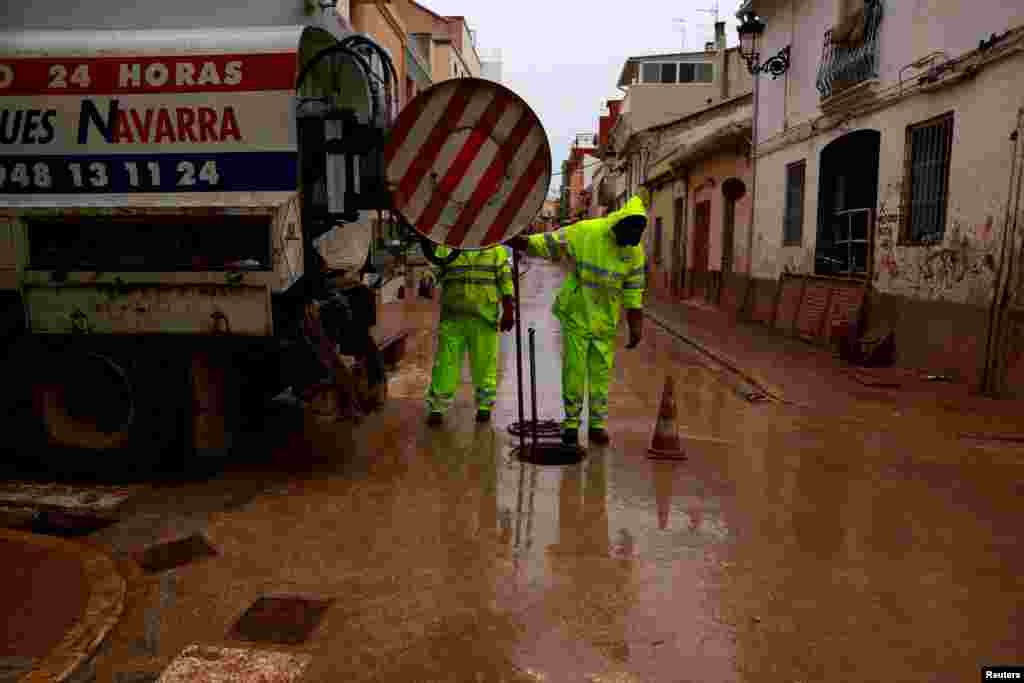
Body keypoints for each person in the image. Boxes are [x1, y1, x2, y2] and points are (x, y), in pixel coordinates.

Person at [506, 194, 648, 446]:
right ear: (620, 225)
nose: (629, 245)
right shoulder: (586, 232)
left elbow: (634, 288)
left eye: (634, 242)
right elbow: (550, 243)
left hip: (605, 320)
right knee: (574, 371)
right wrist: (519, 242)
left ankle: (596, 424)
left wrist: (636, 325)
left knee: (601, 375)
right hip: (577, 314)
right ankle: (571, 423)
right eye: (627, 239)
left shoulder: (634, 251)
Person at [426, 244, 516, 425]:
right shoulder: (447, 248)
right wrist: (426, 281)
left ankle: (484, 405)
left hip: (484, 317)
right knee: (445, 364)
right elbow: (433, 270)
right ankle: (437, 406)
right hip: (453, 315)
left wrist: (508, 310)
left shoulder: (495, 250)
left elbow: (505, 279)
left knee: (485, 363)